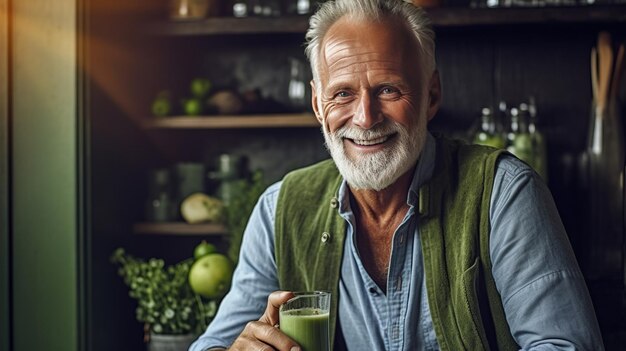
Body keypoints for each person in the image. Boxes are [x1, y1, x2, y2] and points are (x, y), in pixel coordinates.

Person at [189, 0, 604, 350]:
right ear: (318, 105)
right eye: (343, 94)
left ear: (431, 95)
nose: (366, 118)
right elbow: (213, 344)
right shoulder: (279, 208)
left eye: (388, 89)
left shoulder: (503, 193)